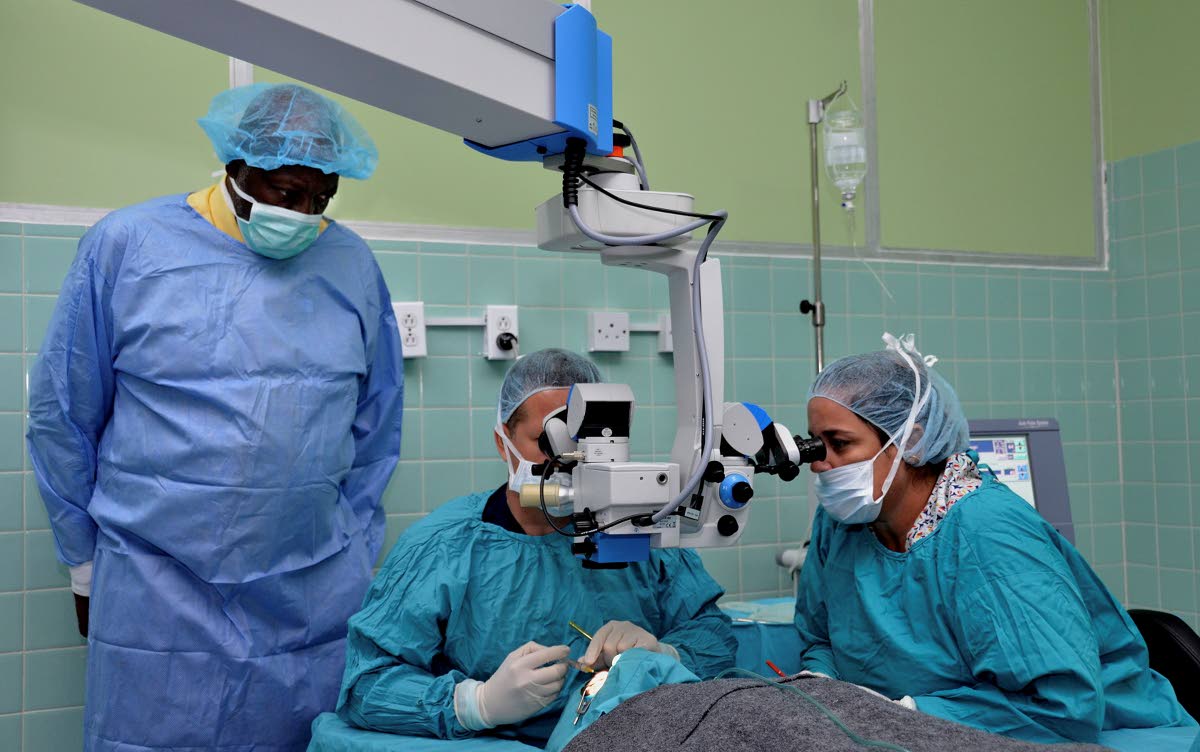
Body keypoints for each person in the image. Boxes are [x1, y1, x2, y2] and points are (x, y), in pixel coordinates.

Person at [26, 83, 404, 752]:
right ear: (237, 167)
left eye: (322, 199)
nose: (304, 212)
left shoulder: (350, 265)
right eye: (287, 192)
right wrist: (83, 566)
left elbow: (376, 428)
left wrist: (351, 549)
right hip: (158, 592)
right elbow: (64, 413)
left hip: (308, 593)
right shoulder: (128, 246)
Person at [795, 334, 1196, 744]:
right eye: (814, 445)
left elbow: (1064, 707)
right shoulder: (841, 524)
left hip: (1098, 736)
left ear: (909, 443)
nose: (820, 464)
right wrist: (824, 684)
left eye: (839, 444)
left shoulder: (989, 533)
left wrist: (908, 714)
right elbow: (820, 637)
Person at [336, 348, 735, 746]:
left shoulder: (638, 527)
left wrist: (664, 655)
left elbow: (713, 635)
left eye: (584, 442)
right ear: (502, 441)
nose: (568, 462)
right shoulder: (444, 547)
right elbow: (366, 683)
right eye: (550, 441)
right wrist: (476, 704)